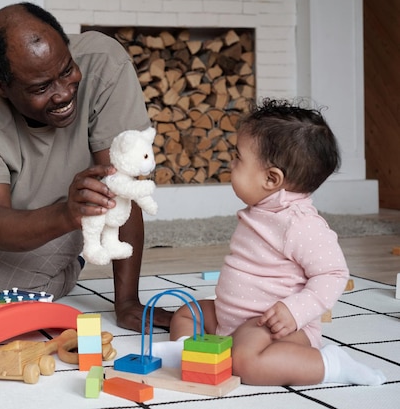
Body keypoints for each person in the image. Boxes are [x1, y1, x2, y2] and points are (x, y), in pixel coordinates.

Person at [0, 2, 171, 333]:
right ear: (1, 87)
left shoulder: (105, 65)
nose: (63, 94)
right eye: (41, 87)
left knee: (8, 287)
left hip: (66, 200)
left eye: (67, 70)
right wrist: (64, 216)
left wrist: (127, 302)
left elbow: (122, 188)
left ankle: (71, 260)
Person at [152, 98, 387, 386]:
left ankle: (331, 365)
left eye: (238, 157)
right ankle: (188, 352)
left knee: (245, 362)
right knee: (188, 313)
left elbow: (334, 274)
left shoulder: (300, 223)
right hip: (229, 317)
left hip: (271, 326)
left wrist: (295, 310)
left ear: (271, 179)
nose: (231, 163)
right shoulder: (263, 209)